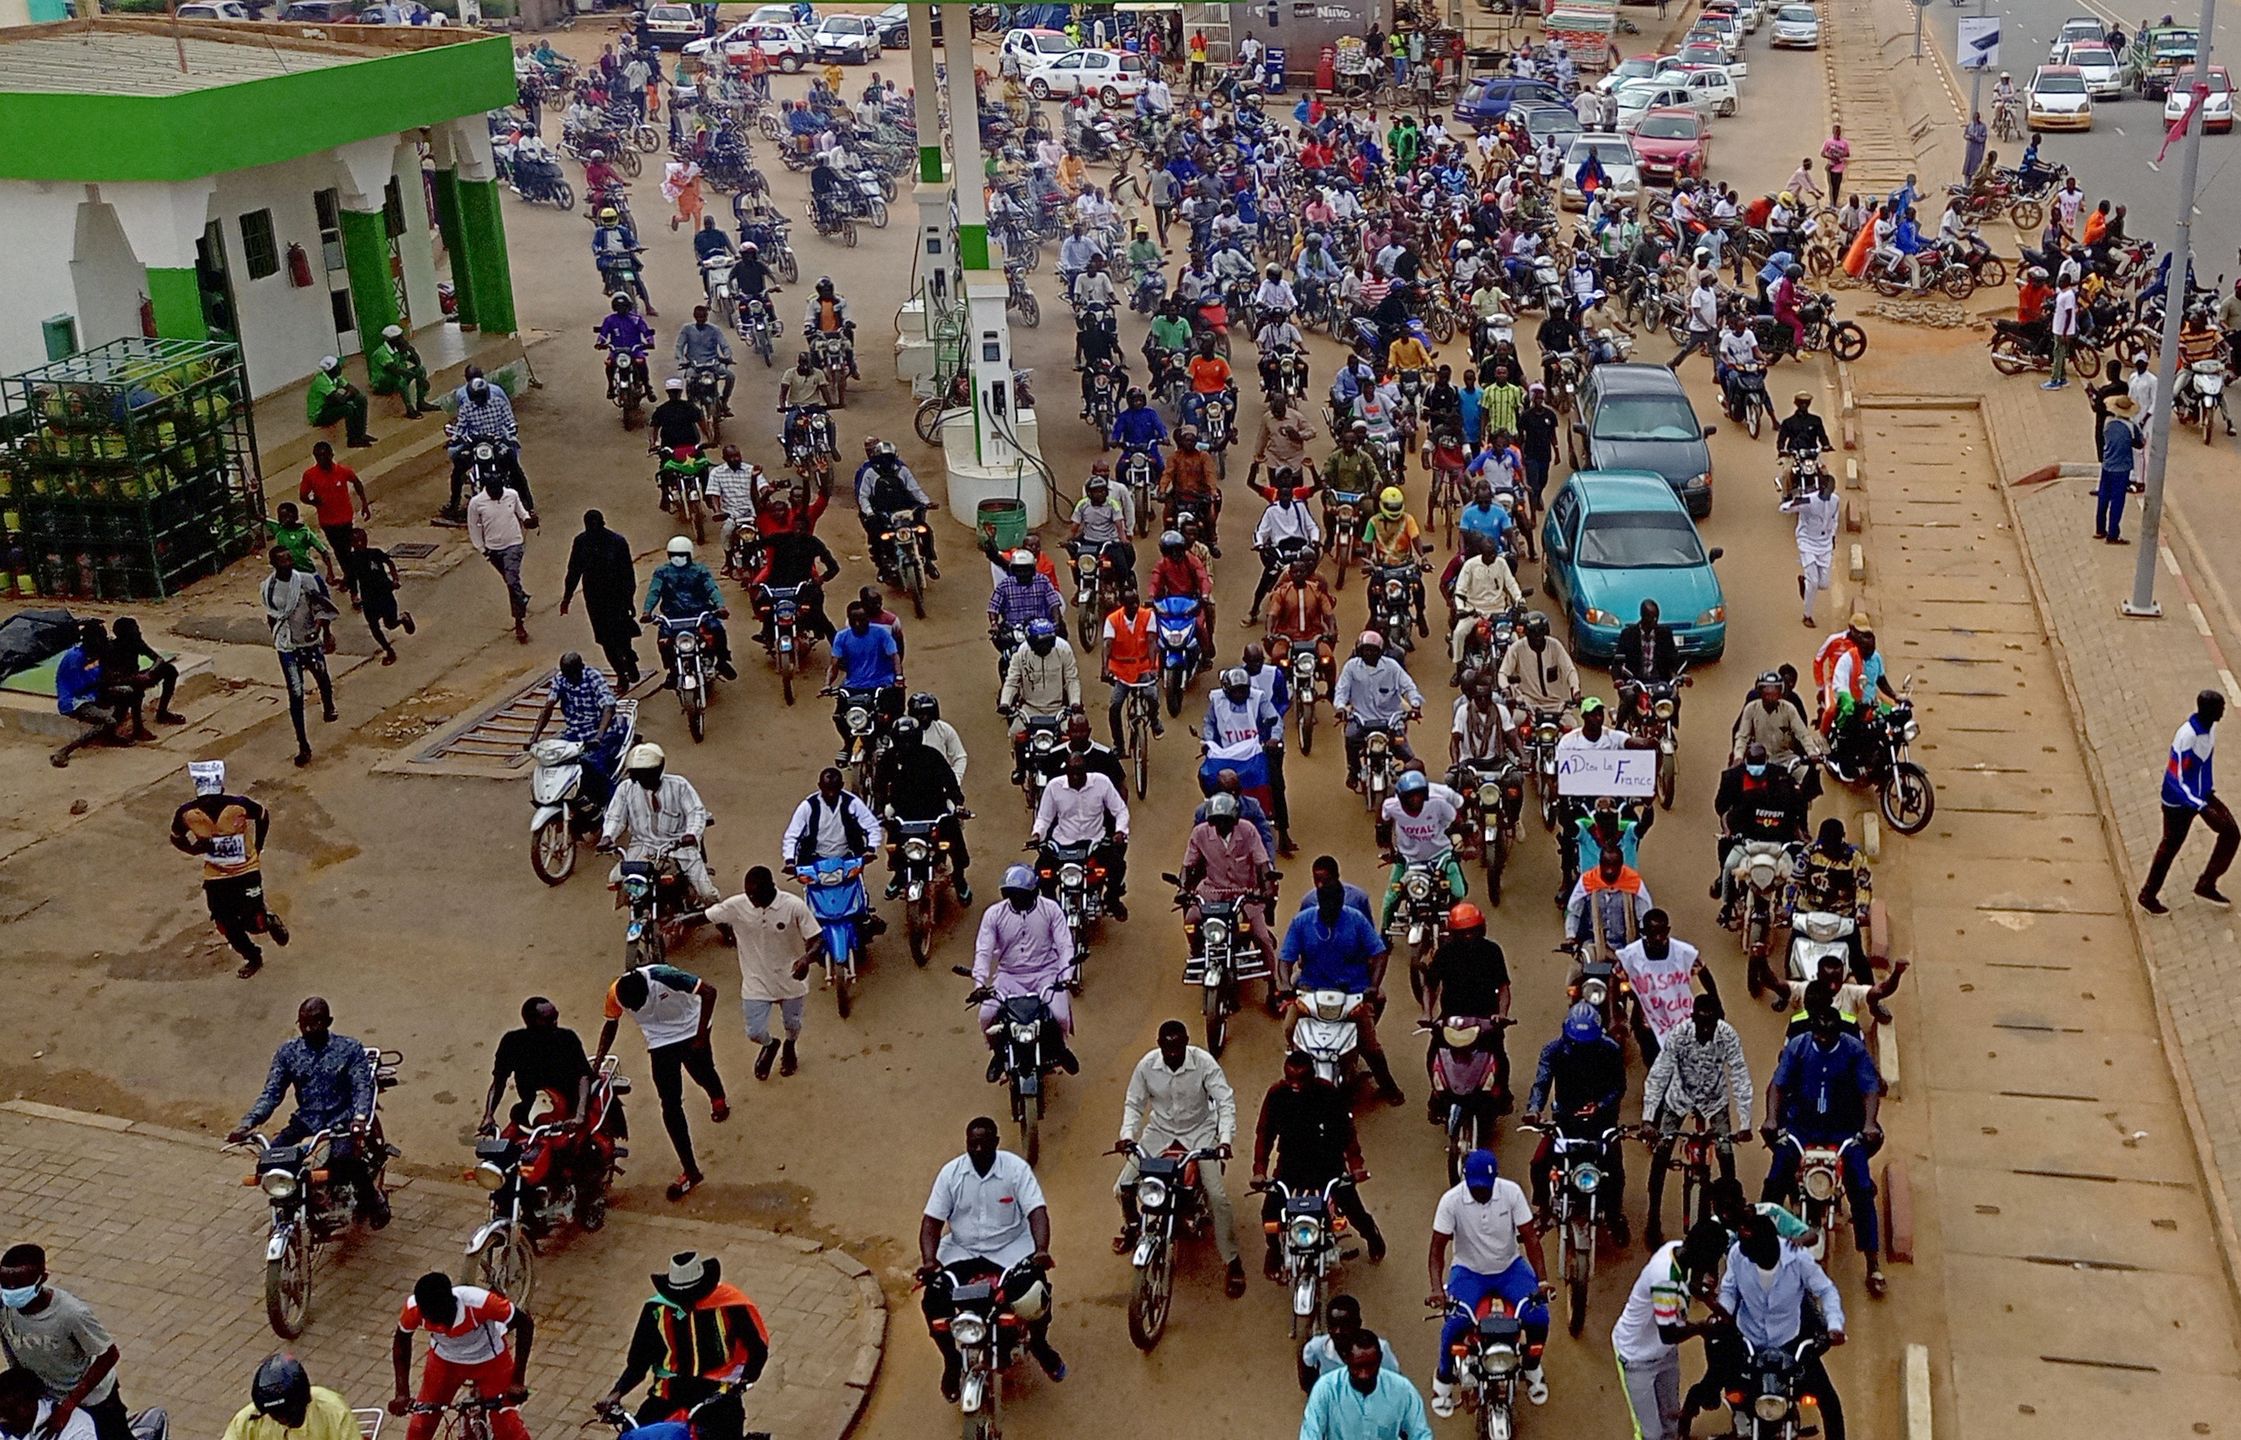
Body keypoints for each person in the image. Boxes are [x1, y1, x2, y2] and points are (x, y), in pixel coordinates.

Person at [918, 1117, 1064, 1399]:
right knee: (934, 1301)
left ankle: (1040, 1344)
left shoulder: (1015, 1169)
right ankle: (951, 1361)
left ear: (996, 1143)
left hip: (1010, 1249)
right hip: (962, 1250)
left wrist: (1041, 1250)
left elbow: (1036, 1212)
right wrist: (929, 1260)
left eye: (985, 1144)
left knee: (1035, 1294)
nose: (978, 1150)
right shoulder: (951, 1174)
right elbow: (931, 1224)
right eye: (972, 1144)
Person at [226, 997, 388, 1224]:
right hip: (306, 1119)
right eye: (304, 1024)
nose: (310, 1029)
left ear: (329, 1021)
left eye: (316, 1023)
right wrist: (248, 1123)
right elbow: (272, 1093)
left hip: (341, 1119)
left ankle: (374, 1200)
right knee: (270, 1160)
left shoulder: (349, 1049)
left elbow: (362, 1088)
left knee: (345, 1161)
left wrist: (359, 1119)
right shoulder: (288, 1053)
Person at [1115, 1019, 1247, 1297]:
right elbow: (1134, 1103)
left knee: (1217, 1197)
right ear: (1159, 1044)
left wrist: (1224, 1140)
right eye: (1167, 1047)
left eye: (1178, 1047)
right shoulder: (1146, 1066)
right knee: (1123, 1187)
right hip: (1159, 1132)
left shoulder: (1204, 1062)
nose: (1173, 1054)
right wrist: (1127, 1136)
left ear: (1187, 1042)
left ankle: (1232, 1261)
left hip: (1200, 1132)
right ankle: (1132, 1226)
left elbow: (1224, 1101)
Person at [1763, 1003, 1884, 1295]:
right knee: (1775, 1179)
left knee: (1862, 1186)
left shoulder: (1854, 1051)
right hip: (1800, 1130)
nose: (1823, 1039)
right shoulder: (1799, 1047)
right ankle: (1762, 1247)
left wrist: (1868, 1124)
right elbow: (1777, 1085)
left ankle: (1873, 1263)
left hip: (1843, 1132)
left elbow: (1870, 1088)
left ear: (1837, 1032)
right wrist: (1771, 1118)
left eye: (1829, 1034)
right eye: (1819, 1033)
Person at [1425, 1148, 1549, 1416]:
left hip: (1510, 1268)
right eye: (1475, 1187)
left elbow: (1530, 1239)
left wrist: (1542, 1281)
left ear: (1496, 1180)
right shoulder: (1450, 1201)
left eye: (1486, 1187)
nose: (1481, 1192)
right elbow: (1437, 1250)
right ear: (1465, 1178)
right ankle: (1444, 1379)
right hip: (1468, 1272)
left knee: (1539, 1317)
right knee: (1454, 1324)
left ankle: (1531, 1365)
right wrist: (1437, 1289)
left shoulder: (1512, 1193)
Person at [597, 961, 726, 1201]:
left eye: (639, 1005)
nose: (635, 1010)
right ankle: (691, 1170)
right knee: (669, 1104)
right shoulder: (616, 993)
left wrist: (700, 1036)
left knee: (702, 1073)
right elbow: (610, 1025)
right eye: (631, 1008)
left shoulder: (664, 976)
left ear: (649, 990)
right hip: (660, 1042)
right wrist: (598, 1062)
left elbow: (709, 992)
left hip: (691, 1028)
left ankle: (717, 1097)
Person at [1254, 1050, 1387, 1276]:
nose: (1295, 1085)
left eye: (1301, 1080)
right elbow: (1264, 1134)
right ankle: (1274, 1250)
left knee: (1351, 1206)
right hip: (1290, 1164)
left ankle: (1371, 1235)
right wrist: (1259, 1171)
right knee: (1270, 1213)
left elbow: (1347, 1133)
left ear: (1312, 1076)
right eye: (1290, 1079)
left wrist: (1356, 1167)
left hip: (1328, 1163)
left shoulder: (1328, 1093)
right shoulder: (1277, 1095)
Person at [1719, 1209, 1849, 1439]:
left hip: (1789, 1343)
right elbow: (1729, 1289)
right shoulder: (1738, 1255)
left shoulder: (1798, 1259)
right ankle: (1735, 1413)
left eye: (1751, 1251)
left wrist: (1834, 1325)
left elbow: (1826, 1290)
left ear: (1767, 1247)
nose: (1744, 1253)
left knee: (1828, 1401)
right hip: (1748, 1341)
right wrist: (1723, 1313)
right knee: (1723, 1383)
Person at [596, 1252, 771, 1422]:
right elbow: (638, 1363)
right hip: (668, 1392)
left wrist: (741, 1384)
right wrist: (615, 1394)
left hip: (718, 1391)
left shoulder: (731, 1307)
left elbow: (757, 1349)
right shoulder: (656, 1311)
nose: (686, 1304)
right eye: (679, 1298)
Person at [1277, 875, 1407, 1103]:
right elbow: (1285, 958)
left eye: (1335, 905)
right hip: (1310, 993)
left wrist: (1373, 987)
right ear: (1319, 901)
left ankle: (1388, 1086)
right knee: (1289, 1028)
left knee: (1370, 1045)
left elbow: (1379, 953)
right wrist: (1286, 985)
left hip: (1352, 995)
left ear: (1341, 902)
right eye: (1326, 905)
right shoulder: (1302, 921)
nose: (1331, 910)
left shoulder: (1356, 920)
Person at [684, 866, 822, 1081]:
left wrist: (806, 959)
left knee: (792, 1024)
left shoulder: (794, 906)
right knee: (754, 1032)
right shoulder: (737, 906)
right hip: (756, 981)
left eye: (754, 895)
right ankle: (770, 1044)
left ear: (771, 888)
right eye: (748, 894)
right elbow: (706, 916)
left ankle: (789, 1047)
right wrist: (679, 922)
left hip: (791, 979)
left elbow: (817, 939)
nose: (750, 899)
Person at [1641, 992, 1751, 1245]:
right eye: (1699, 1021)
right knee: (1661, 1153)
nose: (1704, 1028)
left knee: (1725, 1153)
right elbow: (1659, 1074)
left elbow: (1739, 1075)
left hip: (1714, 1102)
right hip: (1679, 1098)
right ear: (1692, 1017)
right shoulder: (1678, 1035)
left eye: (1709, 1023)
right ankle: (1653, 1218)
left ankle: (1729, 1215)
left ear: (1717, 1021)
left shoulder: (1728, 1036)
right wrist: (1649, 1119)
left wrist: (1744, 1124)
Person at [170, 760, 289, 978]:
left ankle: (267, 922)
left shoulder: (195, 812)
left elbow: (175, 837)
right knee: (225, 922)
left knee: (253, 922)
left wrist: (192, 849)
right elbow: (263, 816)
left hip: (243, 872)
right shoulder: (219, 808)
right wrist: (258, 844)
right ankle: (253, 956)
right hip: (219, 876)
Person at [1611, 1221, 1729, 1440]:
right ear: (1701, 1255)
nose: (1712, 1268)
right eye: (1711, 1260)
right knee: (1650, 1434)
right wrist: (1702, 1327)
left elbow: (1691, 1286)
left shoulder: (1676, 1250)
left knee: (1671, 1424)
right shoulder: (1664, 1278)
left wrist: (1717, 1308)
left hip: (1665, 1353)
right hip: (1636, 1358)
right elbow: (1669, 1333)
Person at [1524, 1003, 1628, 1243]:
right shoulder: (1552, 1051)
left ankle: (1614, 1216)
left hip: (1601, 1120)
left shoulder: (1611, 1051)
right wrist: (1534, 1110)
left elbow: (1619, 1087)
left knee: (1615, 1169)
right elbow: (1541, 1083)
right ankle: (1544, 1210)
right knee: (1539, 1163)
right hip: (1565, 1120)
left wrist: (1599, 1106)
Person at [389, 1276, 533, 1440]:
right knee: (420, 1427)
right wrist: (402, 1393)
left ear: (450, 1303)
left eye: (436, 1316)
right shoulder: (415, 1308)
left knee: (509, 1428)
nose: (432, 1323)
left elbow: (525, 1323)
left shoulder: (479, 1302)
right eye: (426, 1316)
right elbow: (401, 1341)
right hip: (444, 1363)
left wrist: (517, 1381)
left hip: (490, 1361)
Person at [0, 1252, 125, 1440]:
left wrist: (69, 1405)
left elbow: (109, 1355)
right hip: (46, 1394)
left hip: (91, 1398)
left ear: (42, 1279)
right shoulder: (3, 1306)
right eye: (5, 1283)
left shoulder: (71, 1314)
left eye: (19, 1284)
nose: (11, 1289)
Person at [2141, 688, 2237, 913]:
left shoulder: (2210, 728)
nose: (2223, 712)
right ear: (2209, 710)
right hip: (2179, 802)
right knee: (2170, 846)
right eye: (2220, 708)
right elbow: (2176, 778)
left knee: (2231, 833)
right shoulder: (2187, 736)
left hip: (2202, 796)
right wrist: (2199, 804)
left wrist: (2205, 794)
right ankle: (2147, 895)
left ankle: (2206, 883)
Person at [260, 546, 339, 768]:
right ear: (274, 564)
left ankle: (329, 704)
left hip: (309, 641)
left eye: (289, 559)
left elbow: (321, 607)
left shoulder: (305, 581)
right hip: (287, 646)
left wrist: (323, 631)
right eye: (282, 561)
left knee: (322, 676)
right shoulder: (269, 588)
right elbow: (271, 615)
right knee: (295, 693)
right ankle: (303, 744)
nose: (288, 564)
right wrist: (278, 638)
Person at [1031, 745, 1133, 917]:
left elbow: (1120, 811)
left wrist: (1120, 831)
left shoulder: (1102, 782)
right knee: (1041, 871)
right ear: (1066, 771)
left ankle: (1111, 899)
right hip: (1062, 843)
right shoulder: (1053, 787)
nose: (1076, 777)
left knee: (1118, 867)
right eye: (1072, 773)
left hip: (1095, 841)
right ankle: (1051, 907)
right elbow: (1044, 818)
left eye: (1079, 773)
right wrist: (1037, 835)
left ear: (1086, 770)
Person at [478, 996, 596, 1136]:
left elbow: (583, 1076)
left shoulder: (567, 1039)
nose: (555, 1022)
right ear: (532, 1021)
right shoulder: (512, 1043)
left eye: (555, 1016)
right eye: (549, 1019)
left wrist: (580, 1114)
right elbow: (499, 1081)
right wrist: (488, 1115)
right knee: (506, 1143)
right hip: (532, 1109)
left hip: (568, 1109)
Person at [1300, 1329, 1432, 1440]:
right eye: (1358, 1367)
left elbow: (1420, 1434)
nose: (1364, 1374)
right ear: (1346, 1359)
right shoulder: (1326, 1389)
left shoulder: (1403, 1389)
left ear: (1380, 1359)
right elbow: (1310, 1434)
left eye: (1370, 1366)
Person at [562, 511, 643, 689]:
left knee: (621, 638)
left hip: (617, 598)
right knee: (606, 641)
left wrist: (628, 600)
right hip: (595, 599)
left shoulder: (617, 542)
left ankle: (629, 659)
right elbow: (574, 571)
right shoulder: (581, 542)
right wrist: (567, 598)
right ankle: (621, 675)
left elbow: (628, 574)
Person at [1334, 630, 1424, 784]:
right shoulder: (1351, 667)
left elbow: (1409, 687)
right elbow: (1341, 690)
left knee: (1412, 761)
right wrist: (1340, 707)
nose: (1369, 653)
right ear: (1359, 651)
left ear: (1380, 651)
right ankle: (1353, 770)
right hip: (1361, 720)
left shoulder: (1392, 667)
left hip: (1390, 721)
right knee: (1350, 736)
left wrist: (1415, 704)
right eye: (1366, 649)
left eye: (1373, 650)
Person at [643, 535, 735, 680]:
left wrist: (720, 606)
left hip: (700, 613)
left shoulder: (700, 570)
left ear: (689, 554)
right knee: (663, 642)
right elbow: (654, 591)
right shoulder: (662, 572)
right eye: (674, 555)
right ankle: (672, 670)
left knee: (718, 631)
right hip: (672, 616)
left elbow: (712, 589)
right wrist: (647, 611)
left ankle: (722, 662)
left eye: (681, 555)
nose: (678, 558)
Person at [466, 473, 537, 645]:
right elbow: (473, 528)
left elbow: (522, 513)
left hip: (514, 544)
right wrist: (482, 549)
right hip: (493, 549)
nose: (497, 493)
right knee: (510, 581)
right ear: (487, 489)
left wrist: (529, 521)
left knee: (512, 581)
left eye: (499, 490)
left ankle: (519, 622)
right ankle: (522, 597)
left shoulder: (511, 495)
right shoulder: (476, 503)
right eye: (493, 491)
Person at [220, 1357, 357, 1440]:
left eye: (287, 1413)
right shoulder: (248, 1420)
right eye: (274, 1414)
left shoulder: (334, 1412)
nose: (282, 1420)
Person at [298, 443, 370, 597]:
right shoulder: (310, 475)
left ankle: (353, 588)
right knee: (340, 551)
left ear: (332, 454)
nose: (322, 459)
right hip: (328, 522)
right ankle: (351, 579)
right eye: (319, 456)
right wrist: (314, 502)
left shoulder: (342, 471)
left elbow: (357, 482)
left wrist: (364, 504)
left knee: (345, 552)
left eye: (325, 455)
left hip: (345, 519)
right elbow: (303, 496)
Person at [1297, 1295, 1400, 1392]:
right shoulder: (1316, 1348)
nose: (1338, 1332)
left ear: (1358, 1324)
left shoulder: (1379, 1349)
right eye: (1333, 1326)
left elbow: (1395, 1383)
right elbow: (1306, 1380)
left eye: (1345, 1326)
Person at [1496, 612, 1580, 723]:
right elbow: (1502, 673)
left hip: (1557, 704)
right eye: (1533, 633)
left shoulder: (1555, 646)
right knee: (1516, 721)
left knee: (1572, 725)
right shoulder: (1517, 648)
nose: (1537, 637)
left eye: (1541, 631)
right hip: (1529, 704)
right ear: (1526, 632)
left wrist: (1575, 690)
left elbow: (1570, 670)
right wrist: (1506, 691)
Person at [2095, 392, 2144, 542]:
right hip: (2121, 469)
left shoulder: (2108, 423)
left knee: (2103, 497)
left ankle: (2100, 529)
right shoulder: (2131, 427)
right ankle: (2113, 534)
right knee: (2117, 501)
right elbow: (2139, 444)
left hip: (2107, 464)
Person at [306, 355, 375, 449]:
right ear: (332, 370)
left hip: (329, 405)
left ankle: (361, 434)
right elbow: (340, 400)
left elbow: (354, 390)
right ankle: (352, 439)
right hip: (319, 414)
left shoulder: (336, 377)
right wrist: (348, 395)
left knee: (360, 399)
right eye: (338, 366)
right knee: (347, 409)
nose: (340, 367)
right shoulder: (321, 381)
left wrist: (346, 395)